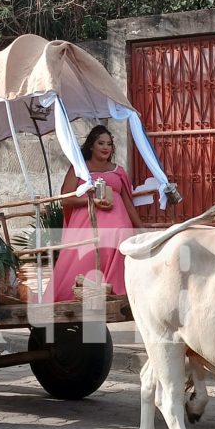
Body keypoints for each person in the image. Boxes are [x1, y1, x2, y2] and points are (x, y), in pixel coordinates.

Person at [46, 125, 144, 301]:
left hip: (118, 225)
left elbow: (128, 203)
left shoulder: (118, 170)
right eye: (101, 143)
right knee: (86, 255)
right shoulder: (79, 169)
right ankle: (77, 292)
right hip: (87, 224)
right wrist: (92, 202)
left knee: (121, 240)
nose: (106, 147)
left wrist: (141, 228)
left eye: (109, 144)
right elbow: (66, 199)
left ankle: (116, 291)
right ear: (91, 146)